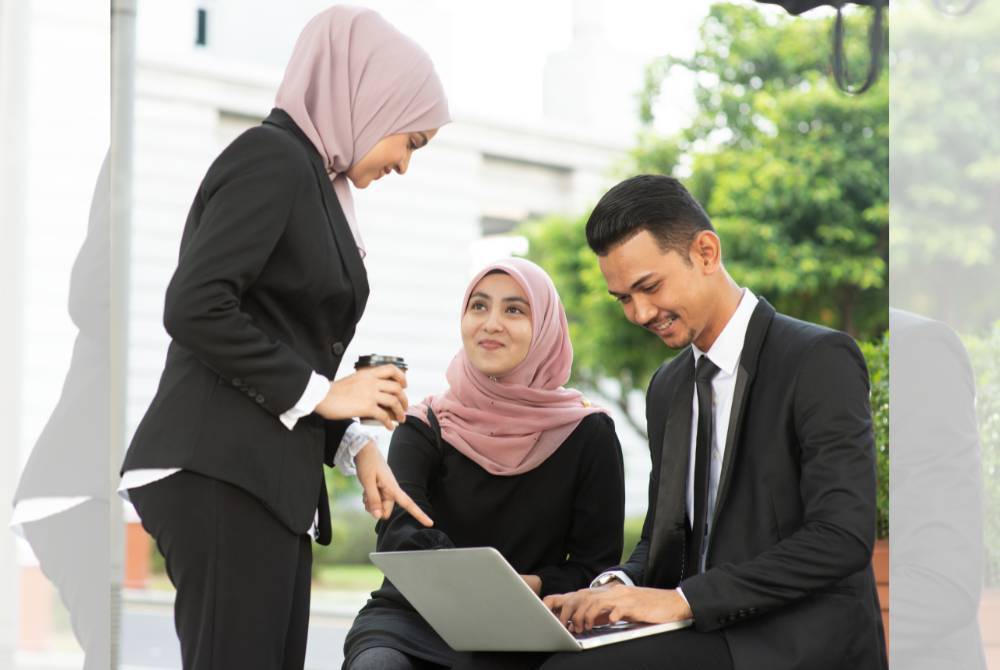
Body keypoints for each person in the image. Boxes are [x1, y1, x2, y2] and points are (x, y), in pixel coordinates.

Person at [119, 7, 451, 670]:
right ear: (369, 98)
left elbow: (278, 335)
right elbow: (194, 306)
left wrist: (354, 443)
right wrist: (326, 395)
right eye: (409, 140)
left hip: (260, 478)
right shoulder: (273, 159)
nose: (406, 165)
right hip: (222, 470)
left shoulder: (313, 180)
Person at [508, 174, 887, 670]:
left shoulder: (817, 359)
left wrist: (683, 600)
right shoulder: (668, 387)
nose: (640, 313)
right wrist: (612, 590)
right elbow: (663, 538)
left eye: (649, 287)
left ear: (706, 252)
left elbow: (842, 537)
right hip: (702, 632)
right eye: (622, 298)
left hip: (792, 641)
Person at [342, 258, 626, 670]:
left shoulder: (588, 433)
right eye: (479, 306)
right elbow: (400, 537)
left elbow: (595, 566)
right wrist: (492, 582)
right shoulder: (425, 425)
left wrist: (533, 586)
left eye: (514, 309)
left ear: (545, 328)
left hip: (526, 626)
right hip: (412, 620)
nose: (491, 323)